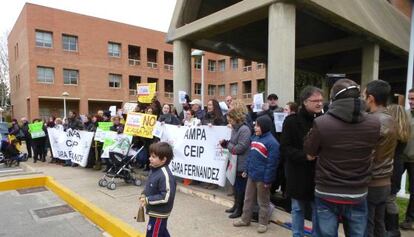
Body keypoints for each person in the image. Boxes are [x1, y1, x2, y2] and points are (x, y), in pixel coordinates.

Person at [304, 79, 381, 236]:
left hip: (327, 191)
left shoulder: (321, 123)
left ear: (334, 98)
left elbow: (310, 154)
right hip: (358, 192)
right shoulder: (374, 123)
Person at [280, 86, 323, 237]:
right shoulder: (291, 121)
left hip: (319, 174)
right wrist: (305, 156)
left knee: (318, 209)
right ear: (305, 102)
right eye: (315, 100)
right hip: (298, 173)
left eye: (321, 100)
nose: (319, 103)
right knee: (298, 208)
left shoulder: (324, 120)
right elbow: (284, 148)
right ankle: (297, 234)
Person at [233, 115, 279, 233]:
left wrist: (268, 180)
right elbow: (250, 157)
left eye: (257, 126)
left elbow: (272, 164)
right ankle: (245, 219)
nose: (255, 128)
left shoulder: (272, 143)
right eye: (255, 125)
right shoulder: (255, 138)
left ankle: (263, 223)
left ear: (264, 126)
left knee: (263, 202)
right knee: (248, 199)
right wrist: (246, 170)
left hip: (263, 179)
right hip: (251, 175)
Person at [363, 80, 397, 237]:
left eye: (364, 96)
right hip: (385, 180)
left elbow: (368, 154)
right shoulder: (391, 118)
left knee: (367, 225)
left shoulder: (373, 121)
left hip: (372, 181)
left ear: (370, 98)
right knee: (379, 223)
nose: (363, 100)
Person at [139, 142, 176, 237]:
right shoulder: (154, 169)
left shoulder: (165, 175)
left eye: (153, 156)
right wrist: (144, 194)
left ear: (163, 159)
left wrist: (148, 200)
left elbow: (166, 196)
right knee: (161, 232)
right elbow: (149, 186)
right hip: (154, 210)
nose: (150, 158)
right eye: (150, 155)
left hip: (159, 213)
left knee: (153, 233)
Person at [220, 107, 251, 218]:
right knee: (235, 186)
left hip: (242, 162)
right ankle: (236, 205)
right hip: (235, 162)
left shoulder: (244, 129)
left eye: (231, 119)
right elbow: (233, 144)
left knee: (240, 187)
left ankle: (240, 209)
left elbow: (240, 148)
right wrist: (226, 143)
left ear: (236, 118)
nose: (229, 122)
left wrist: (227, 144)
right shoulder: (235, 128)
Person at [386, 104, 411, 236]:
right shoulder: (404, 130)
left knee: (388, 198)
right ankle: (393, 228)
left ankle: (391, 228)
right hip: (398, 164)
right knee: (391, 197)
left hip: (390, 165)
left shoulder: (392, 133)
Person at [399, 88, 414, 231]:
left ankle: (409, 220)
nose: (411, 102)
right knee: (392, 187)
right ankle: (387, 217)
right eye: (410, 99)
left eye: (413, 99)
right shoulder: (405, 114)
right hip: (401, 157)